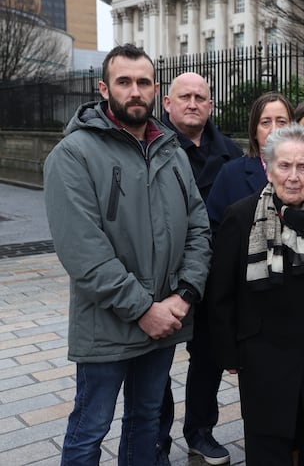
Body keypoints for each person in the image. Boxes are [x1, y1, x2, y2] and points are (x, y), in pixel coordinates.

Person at [43, 44, 212, 465]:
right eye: (124, 82)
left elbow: (198, 227)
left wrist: (184, 295)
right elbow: (83, 250)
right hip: (108, 324)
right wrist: (142, 309)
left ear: (155, 89)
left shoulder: (170, 149)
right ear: (104, 88)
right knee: (89, 429)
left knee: (146, 421)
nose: (134, 91)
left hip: (166, 319)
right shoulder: (73, 154)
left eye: (143, 82)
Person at [205, 124, 304, 465]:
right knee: (267, 447)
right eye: (284, 166)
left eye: (303, 167)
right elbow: (220, 295)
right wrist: (229, 353)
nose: (293, 176)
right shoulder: (241, 216)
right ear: (267, 167)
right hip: (263, 357)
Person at [157, 72, 243, 465]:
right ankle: (156, 435)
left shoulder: (230, 154)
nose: (193, 103)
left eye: (201, 97)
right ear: (167, 103)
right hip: (160, 271)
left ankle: (200, 431)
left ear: (211, 106)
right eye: (184, 96)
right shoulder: (149, 147)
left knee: (207, 357)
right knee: (154, 359)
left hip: (210, 272)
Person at [205, 92, 293, 231]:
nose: (274, 129)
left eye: (282, 122)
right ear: (254, 131)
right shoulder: (231, 175)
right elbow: (213, 229)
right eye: (265, 122)